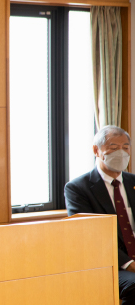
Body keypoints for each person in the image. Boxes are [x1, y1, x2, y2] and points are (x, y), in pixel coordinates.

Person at [65, 125, 135, 304]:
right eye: (113, 148)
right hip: (109, 263)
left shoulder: (133, 182)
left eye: (125, 148)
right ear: (96, 150)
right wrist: (129, 264)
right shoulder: (78, 188)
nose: (121, 153)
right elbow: (89, 235)